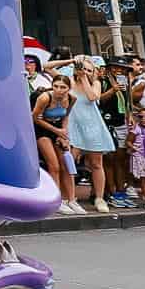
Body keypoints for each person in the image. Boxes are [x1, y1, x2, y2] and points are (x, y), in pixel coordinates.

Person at [60, 57, 115, 212]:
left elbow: (92, 97)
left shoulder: (95, 83)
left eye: (89, 70)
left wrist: (84, 78)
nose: (85, 71)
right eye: (82, 68)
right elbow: (46, 67)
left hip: (92, 126)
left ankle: (99, 198)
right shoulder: (69, 80)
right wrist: (70, 60)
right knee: (69, 162)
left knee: (97, 164)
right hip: (73, 126)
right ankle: (69, 198)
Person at [32, 73, 81, 215]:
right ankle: (56, 200)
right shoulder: (44, 97)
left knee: (66, 164)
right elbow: (35, 117)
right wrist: (57, 131)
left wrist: (64, 134)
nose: (59, 90)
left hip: (59, 129)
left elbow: (66, 116)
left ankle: (71, 199)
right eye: (56, 86)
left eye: (63, 87)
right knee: (54, 166)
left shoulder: (72, 98)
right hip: (42, 129)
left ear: (68, 88)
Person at [100, 61, 136, 207]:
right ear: (109, 69)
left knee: (120, 159)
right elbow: (98, 100)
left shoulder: (125, 81)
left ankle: (121, 192)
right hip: (107, 123)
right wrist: (112, 90)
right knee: (109, 159)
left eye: (122, 68)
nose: (118, 70)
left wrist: (131, 114)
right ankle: (112, 193)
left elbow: (129, 101)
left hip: (122, 122)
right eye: (115, 67)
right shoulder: (102, 81)